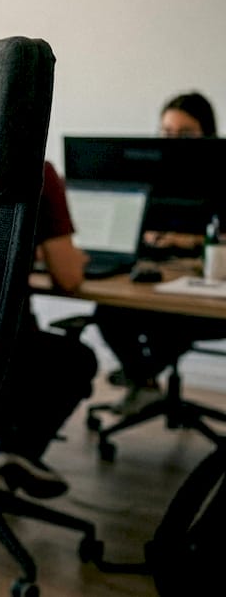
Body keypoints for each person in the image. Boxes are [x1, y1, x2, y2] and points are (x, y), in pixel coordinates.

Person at [94, 91, 222, 413]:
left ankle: (141, 376)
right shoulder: (148, 170)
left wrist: (188, 241)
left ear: (207, 135)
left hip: (210, 291)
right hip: (157, 274)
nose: (173, 142)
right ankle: (145, 381)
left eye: (185, 134)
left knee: (170, 322)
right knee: (108, 311)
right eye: (166, 133)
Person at [0, 161, 98, 498]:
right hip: (3, 359)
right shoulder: (35, 170)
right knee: (77, 361)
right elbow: (69, 278)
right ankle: (16, 452)